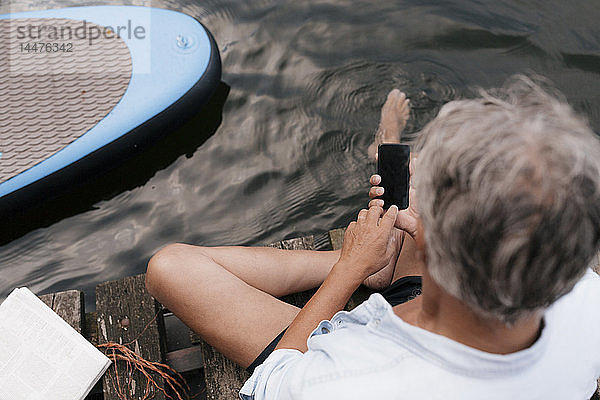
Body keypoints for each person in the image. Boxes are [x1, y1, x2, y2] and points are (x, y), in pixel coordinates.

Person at [145, 76, 600, 399]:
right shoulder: (588, 301)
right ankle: (383, 246)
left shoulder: (343, 383)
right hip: (456, 301)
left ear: (435, 246)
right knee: (487, 197)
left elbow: (273, 381)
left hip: (384, 322)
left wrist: (348, 271)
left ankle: (369, 248)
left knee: (171, 267)